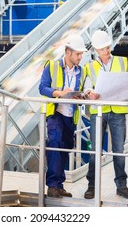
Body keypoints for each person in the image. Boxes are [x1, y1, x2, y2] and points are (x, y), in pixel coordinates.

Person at [83, 30, 128, 200]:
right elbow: (87, 87)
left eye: (108, 47)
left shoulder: (122, 62)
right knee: (95, 151)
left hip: (117, 111)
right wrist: (90, 93)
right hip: (99, 112)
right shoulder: (89, 67)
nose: (107, 50)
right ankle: (92, 186)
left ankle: (121, 186)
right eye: (103, 48)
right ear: (96, 50)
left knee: (119, 150)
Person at [39, 33, 88, 198]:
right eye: (78, 54)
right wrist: (59, 93)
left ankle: (59, 185)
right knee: (54, 142)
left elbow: (83, 90)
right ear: (68, 52)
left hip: (70, 116)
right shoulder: (51, 66)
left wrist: (80, 96)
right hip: (56, 113)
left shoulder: (81, 71)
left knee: (65, 147)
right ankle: (52, 185)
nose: (81, 57)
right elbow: (42, 88)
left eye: (81, 54)